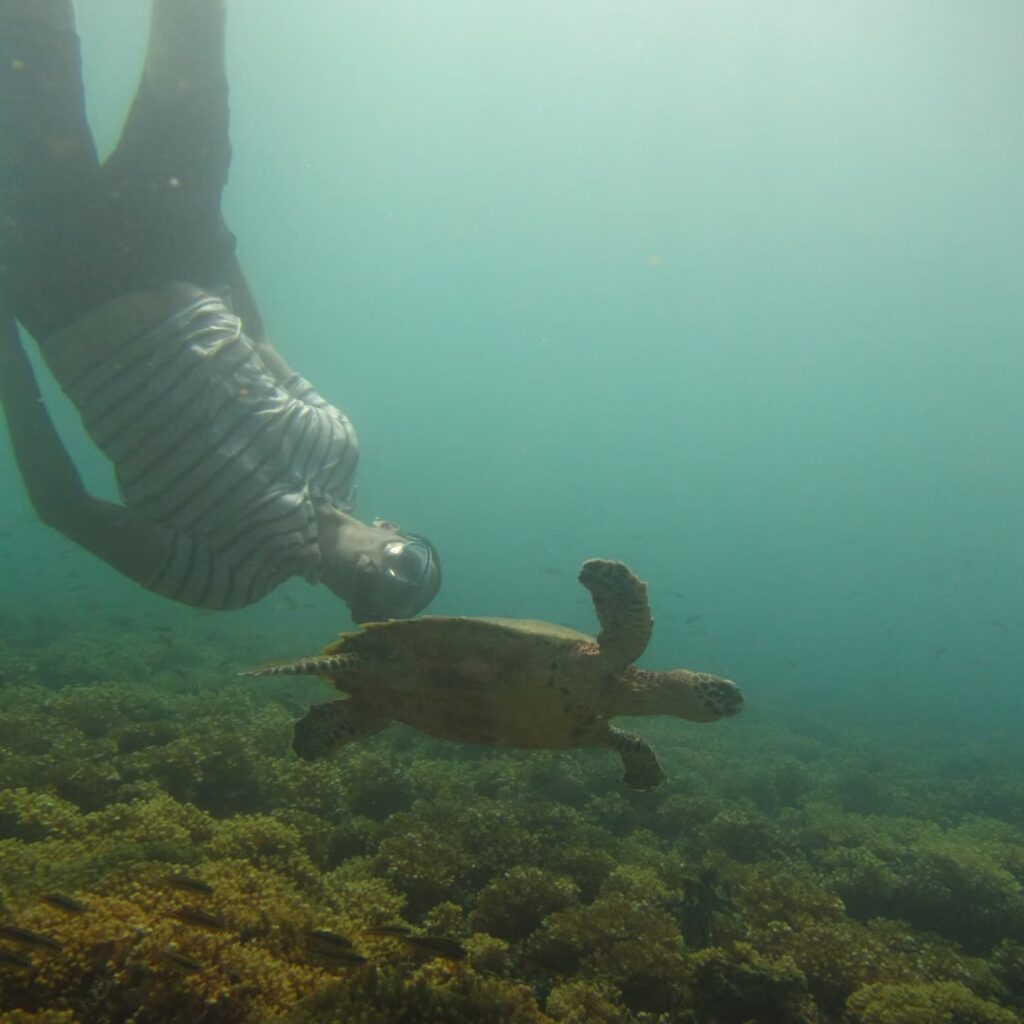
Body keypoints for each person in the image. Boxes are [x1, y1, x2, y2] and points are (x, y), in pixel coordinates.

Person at [0, 0, 441, 622]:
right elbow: (256, 338)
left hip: (64, 284)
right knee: (195, 26)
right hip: (177, 241)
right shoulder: (340, 445)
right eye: (413, 566)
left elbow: (65, 507)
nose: (390, 581)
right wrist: (214, 233)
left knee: (31, 39)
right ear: (396, 526)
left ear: (356, 614)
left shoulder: (225, 581)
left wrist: (6, 355)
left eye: (386, 604)